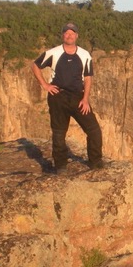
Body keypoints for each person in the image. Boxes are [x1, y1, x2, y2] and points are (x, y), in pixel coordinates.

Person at [31, 22, 105, 171]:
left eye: (72, 33)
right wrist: (45, 85)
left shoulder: (84, 54)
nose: (69, 35)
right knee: (59, 132)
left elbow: (88, 77)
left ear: (77, 36)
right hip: (58, 96)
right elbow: (35, 65)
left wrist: (85, 99)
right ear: (63, 35)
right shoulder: (53, 52)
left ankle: (95, 161)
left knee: (94, 130)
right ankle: (60, 165)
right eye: (66, 33)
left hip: (78, 97)